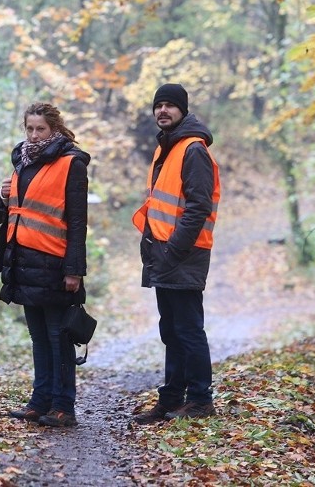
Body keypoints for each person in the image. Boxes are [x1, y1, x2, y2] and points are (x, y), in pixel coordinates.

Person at [131, 83, 221, 423]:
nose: (162, 111)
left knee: (188, 329)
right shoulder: (167, 147)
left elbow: (198, 207)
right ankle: (171, 399)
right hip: (164, 252)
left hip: (183, 253)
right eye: (159, 105)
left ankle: (199, 400)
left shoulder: (192, 149)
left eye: (170, 105)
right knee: (171, 329)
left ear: (183, 110)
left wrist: (174, 250)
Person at [0, 102, 90, 427]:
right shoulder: (23, 162)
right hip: (24, 263)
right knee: (39, 338)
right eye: (30, 128)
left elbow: (78, 222)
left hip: (55, 263)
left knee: (58, 337)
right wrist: (4, 196)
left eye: (40, 129)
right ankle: (40, 401)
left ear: (54, 129)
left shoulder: (72, 163)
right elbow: (15, 213)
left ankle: (64, 405)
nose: (34, 134)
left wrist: (74, 270)